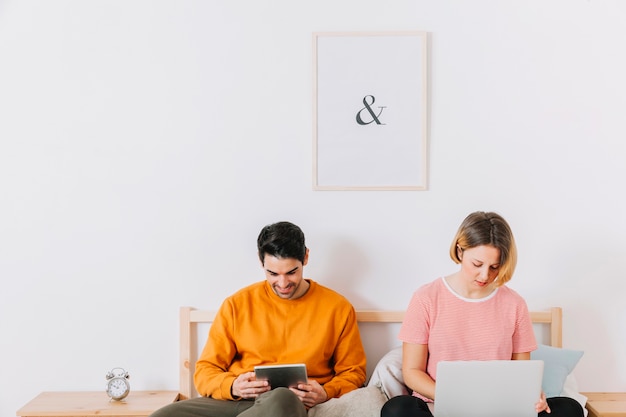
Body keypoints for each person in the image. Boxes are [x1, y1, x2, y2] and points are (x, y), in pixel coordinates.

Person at [150, 221, 366, 417]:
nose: (282, 283)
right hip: (242, 402)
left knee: (282, 396)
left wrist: (326, 392)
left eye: (291, 272)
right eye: (273, 274)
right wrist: (233, 386)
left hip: (293, 405)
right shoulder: (237, 304)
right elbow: (206, 370)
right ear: (260, 261)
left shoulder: (338, 308)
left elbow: (353, 373)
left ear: (306, 257)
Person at [381, 211, 584, 417]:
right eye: (477, 264)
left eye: (495, 267)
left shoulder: (514, 303)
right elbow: (412, 372)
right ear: (460, 251)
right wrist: (452, 397)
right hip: (440, 406)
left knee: (570, 409)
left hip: (499, 409)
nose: (485, 275)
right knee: (396, 409)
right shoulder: (426, 298)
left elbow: (522, 373)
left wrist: (532, 394)